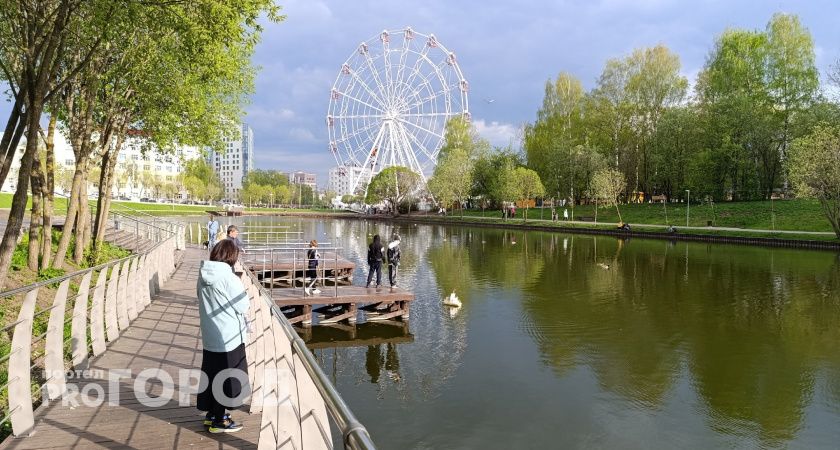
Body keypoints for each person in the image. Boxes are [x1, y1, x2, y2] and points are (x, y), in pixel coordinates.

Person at [196, 239, 249, 433]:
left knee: (212, 375)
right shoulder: (229, 278)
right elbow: (243, 306)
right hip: (229, 335)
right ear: (231, 257)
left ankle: (212, 415)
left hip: (210, 334)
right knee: (227, 377)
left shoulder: (202, 275)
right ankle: (220, 421)